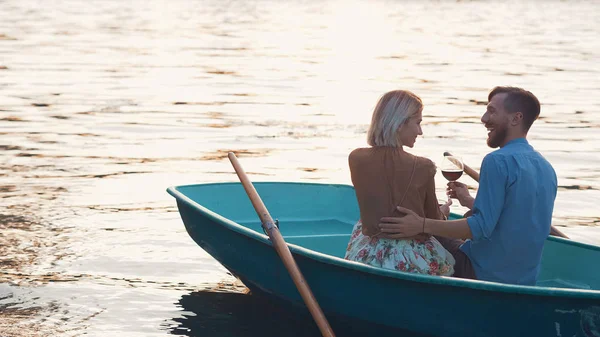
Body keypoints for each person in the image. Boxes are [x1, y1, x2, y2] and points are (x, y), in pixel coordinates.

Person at [378, 86, 557, 286]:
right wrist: (470, 202)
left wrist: (420, 224)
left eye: (491, 111)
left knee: (421, 231)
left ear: (516, 118)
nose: (483, 118)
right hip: (524, 279)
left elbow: (479, 228)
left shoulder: (496, 161)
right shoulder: (546, 167)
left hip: (481, 272)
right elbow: (517, 217)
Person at [345, 90, 455, 276]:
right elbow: (433, 221)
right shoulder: (424, 166)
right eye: (418, 123)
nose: (420, 131)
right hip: (411, 257)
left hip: (366, 253)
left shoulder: (356, 158)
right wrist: (443, 212)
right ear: (399, 123)